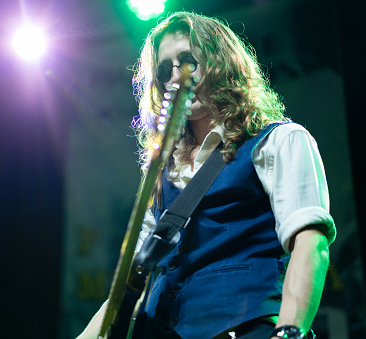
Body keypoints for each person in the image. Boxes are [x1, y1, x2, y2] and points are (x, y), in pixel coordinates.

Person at [77, 11, 335, 339]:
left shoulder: (279, 140)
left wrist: (288, 333)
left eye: (187, 61)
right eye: (164, 68)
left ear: (220, 61)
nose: (176, 76)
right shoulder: (160, 175)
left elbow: (310, 244)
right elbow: (128, 290)